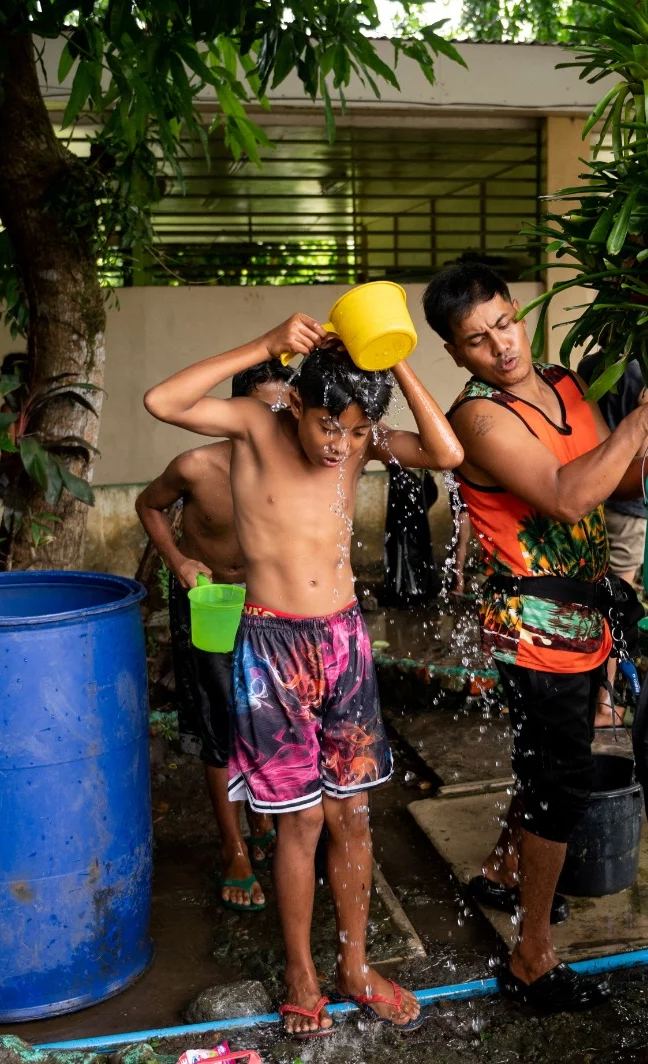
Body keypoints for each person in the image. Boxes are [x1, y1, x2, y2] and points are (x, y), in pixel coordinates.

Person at [144, 316, 463, 1038]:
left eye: (354, 433)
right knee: (302, 821)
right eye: (328, 427)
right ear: (296, 405)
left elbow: (448, 452)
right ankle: (302, 972)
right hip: (273, 649)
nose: (339, 445)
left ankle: (354, 967)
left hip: (343, 642)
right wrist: (264, 345)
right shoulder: (258, 429)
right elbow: (163, 401)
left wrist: (397, 364)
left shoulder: (359, 439)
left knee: (354, 814)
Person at [423, 261, 648, 1015]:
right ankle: (530, 956)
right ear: (455, 355)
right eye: (477, 341)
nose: (500, 347)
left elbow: (608, 479)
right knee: (561, 779)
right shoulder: (477, 419)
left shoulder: (566, 385)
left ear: (520, 313)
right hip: (535, 626)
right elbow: (563, 493)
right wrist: (642, 419)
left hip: (585, 614)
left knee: (549, 758)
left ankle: (501, 866)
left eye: (505, 324)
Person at [136, 358, 294, 913]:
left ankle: (260, 820)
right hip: (210, 606)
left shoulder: (296, 467)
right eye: (262, 410)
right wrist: (178, 559)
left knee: (267, 718)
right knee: (218, 726)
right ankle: (233, 851)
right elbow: (148, 506)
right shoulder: (197, 467)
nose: (274, 421)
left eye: (284, 410)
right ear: (234, 414)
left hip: (270, 612)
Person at [576, 352, 648, 728]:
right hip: (629, 501)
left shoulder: (592, 366)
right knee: (617, 605)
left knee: (588, 596)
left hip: (590, 492)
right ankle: (605, 705)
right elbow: (642, 452)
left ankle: (587, 694)